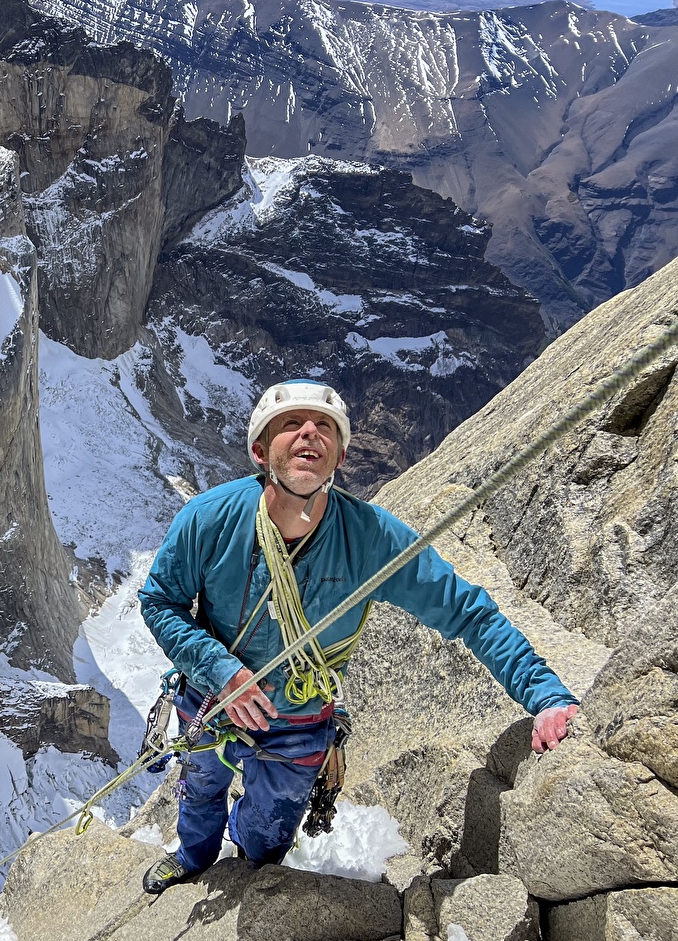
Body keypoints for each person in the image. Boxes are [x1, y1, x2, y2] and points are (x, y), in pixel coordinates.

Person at [138, 379, 579, 895]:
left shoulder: (370, 538)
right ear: (260, 451)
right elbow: (160, 602)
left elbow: (467, 612)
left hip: (297, 720)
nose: (309, 433)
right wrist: (222, 670)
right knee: (201, 791)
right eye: (291, 425)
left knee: (265, 841)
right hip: (212, 699)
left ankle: (247, 873)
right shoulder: (209, 520)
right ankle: (193, 855)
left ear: (341, 454)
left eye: (324, 426)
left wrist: (543, 693)